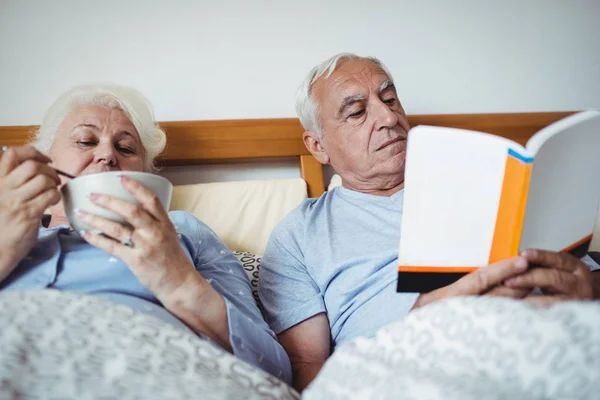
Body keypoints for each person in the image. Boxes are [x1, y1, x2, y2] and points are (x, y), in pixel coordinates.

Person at [258, 53, 600, 391]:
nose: (388, 117)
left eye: (390, 99)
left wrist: (587, 291)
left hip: (547, 337)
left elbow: (589, 279)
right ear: (318, 146)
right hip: (406, 371)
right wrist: (427, 323)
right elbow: (307, 372)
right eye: (358, 112)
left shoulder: (496, 185)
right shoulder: (299, 235)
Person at [0, 84, 291, 383]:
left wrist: (178, 281)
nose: (106, 155)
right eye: (86, 141)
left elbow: (273, 371)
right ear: (46, 159)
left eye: (125, 148)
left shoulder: (182, 231)